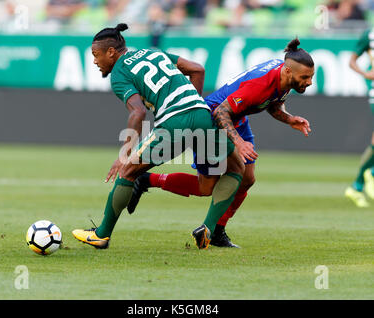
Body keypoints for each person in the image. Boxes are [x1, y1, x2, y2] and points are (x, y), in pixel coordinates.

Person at [72, 23, 245, 250]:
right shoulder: (153, 52)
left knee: (127, 171)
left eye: (96, 55)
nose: (95, 61)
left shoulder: (119, 73)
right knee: (236, 168)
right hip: (202, 115)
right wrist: (191, 103)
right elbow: (197, 69)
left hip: (174, 122)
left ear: (111, 52)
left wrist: (125, 153)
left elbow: (138, 112)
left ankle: (101, 234)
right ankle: (208, 229)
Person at [128, 38, 314, 248]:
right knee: (206, 187)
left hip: (237, 119)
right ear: (288, 71)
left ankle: (216, 231)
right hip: (211, 120)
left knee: (247, 179)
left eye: (310, 77)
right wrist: (239, 143)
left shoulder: (285, 77)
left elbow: (272, 102)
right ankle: (147, 179)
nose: (309, 82)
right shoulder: (259, 84)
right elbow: (221, 112)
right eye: (305, 77)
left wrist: (289, 119)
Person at [344, 27, 374, 208]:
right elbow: (352, 61)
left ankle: (362, 180)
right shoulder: (369, 35)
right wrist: (366, 74)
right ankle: (363, 180)